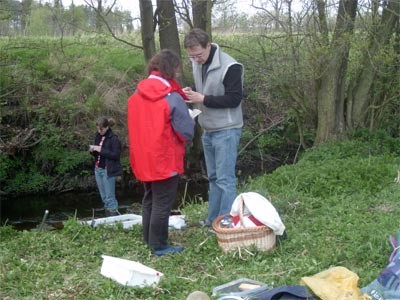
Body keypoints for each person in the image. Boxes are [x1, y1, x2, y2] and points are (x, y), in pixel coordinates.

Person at [127, 49, 195, 256]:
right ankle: (159, 245)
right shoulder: (171, 97)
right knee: (162, 203)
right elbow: (186, 132)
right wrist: (190, 118)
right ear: (171, 70)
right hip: (164, 157)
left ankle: (149, 238)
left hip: (143, 157)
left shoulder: (136, 96)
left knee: (149, 198)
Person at [183, 28, 244, 227]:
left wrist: (203, 99)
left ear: (208, 45)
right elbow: (204, 88)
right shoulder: (196, 62)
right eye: (191, 56)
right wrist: (192, 93)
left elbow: (234, 99)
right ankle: (212, 220)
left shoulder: (231, 66)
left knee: (225, 179)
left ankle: (226, 222)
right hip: (207, 129)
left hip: (226, 129)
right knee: (213, 177)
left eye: (199, 55)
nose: (196, 59)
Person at [89, 117, 123, 217]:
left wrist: (100, 149)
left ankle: (114, 219)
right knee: (104, 197)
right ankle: (108, 218)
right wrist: (92, 151)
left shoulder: (114, 139)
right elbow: (97, 154)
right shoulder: (98, 136)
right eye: (98, 129)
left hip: (107, 170)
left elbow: (116, 155)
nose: (99, 131)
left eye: (101, 129)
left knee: (110, 197)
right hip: (97, 169)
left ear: (107, 127)